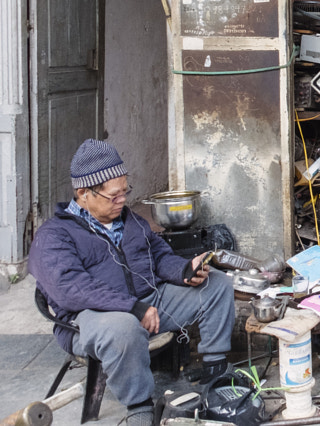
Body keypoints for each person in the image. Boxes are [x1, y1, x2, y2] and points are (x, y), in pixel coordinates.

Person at [29, 139, 236, 426]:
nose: (122, 201)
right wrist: (132, 307)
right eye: (113, 196)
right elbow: (70, 289)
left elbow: (159, 255)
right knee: (124, 327)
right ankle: (139, 407)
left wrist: (183, 270)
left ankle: (215, 370)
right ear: (83, 193)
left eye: (125, 192)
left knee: (217, 284)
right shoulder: (54, 236)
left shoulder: (130, 221)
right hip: (92, 320)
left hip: (146, 304)